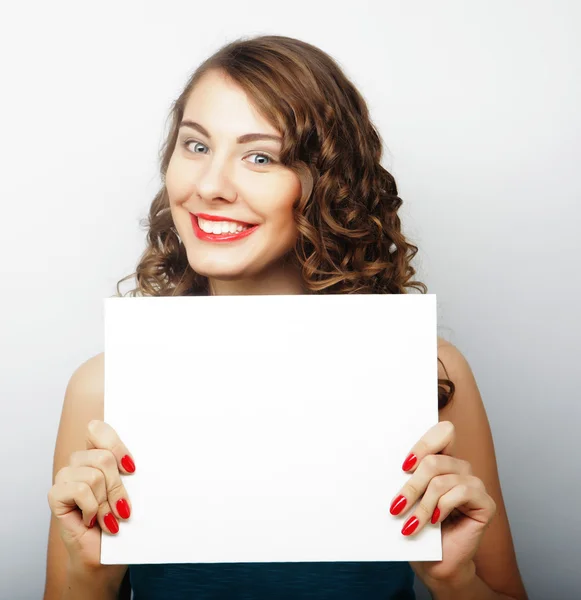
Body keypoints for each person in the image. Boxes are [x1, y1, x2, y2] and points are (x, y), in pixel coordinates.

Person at [44, 35, 528, 600]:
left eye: (260, 157)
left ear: (326, 184)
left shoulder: (432, 375)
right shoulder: (101, 389)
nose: (210, 187)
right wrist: (89, 574)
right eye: (196, 146)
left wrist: (455, 579)